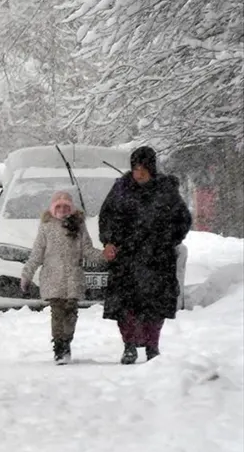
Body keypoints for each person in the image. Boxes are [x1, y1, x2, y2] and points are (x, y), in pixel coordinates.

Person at [99, 146, 192, 365]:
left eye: (142, 169)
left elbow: (183, 219)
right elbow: (106, 217)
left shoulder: (165, 190)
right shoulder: (121, 189)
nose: (138, 173)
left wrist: (169, 240)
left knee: (154, 305)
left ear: (151, 168)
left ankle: (152, 347)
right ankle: (129, 346)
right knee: (126, 306)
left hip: (157, 258)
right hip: (126, 258)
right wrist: (109, 241)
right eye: (135, 168)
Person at [20, 190, 104, 364]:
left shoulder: (79, 226)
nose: (63, 210)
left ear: (71, 209)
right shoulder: (47, 226)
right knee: (57, 313)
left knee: (71, 313)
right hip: (53, 278)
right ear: (52, 208)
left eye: (66, 207)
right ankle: (59, 347)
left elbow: (87, 250)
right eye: (59, 206)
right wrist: (26, 275)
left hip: (73, 278)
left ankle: (67, 342)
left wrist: (104, 256)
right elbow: (37, 253)